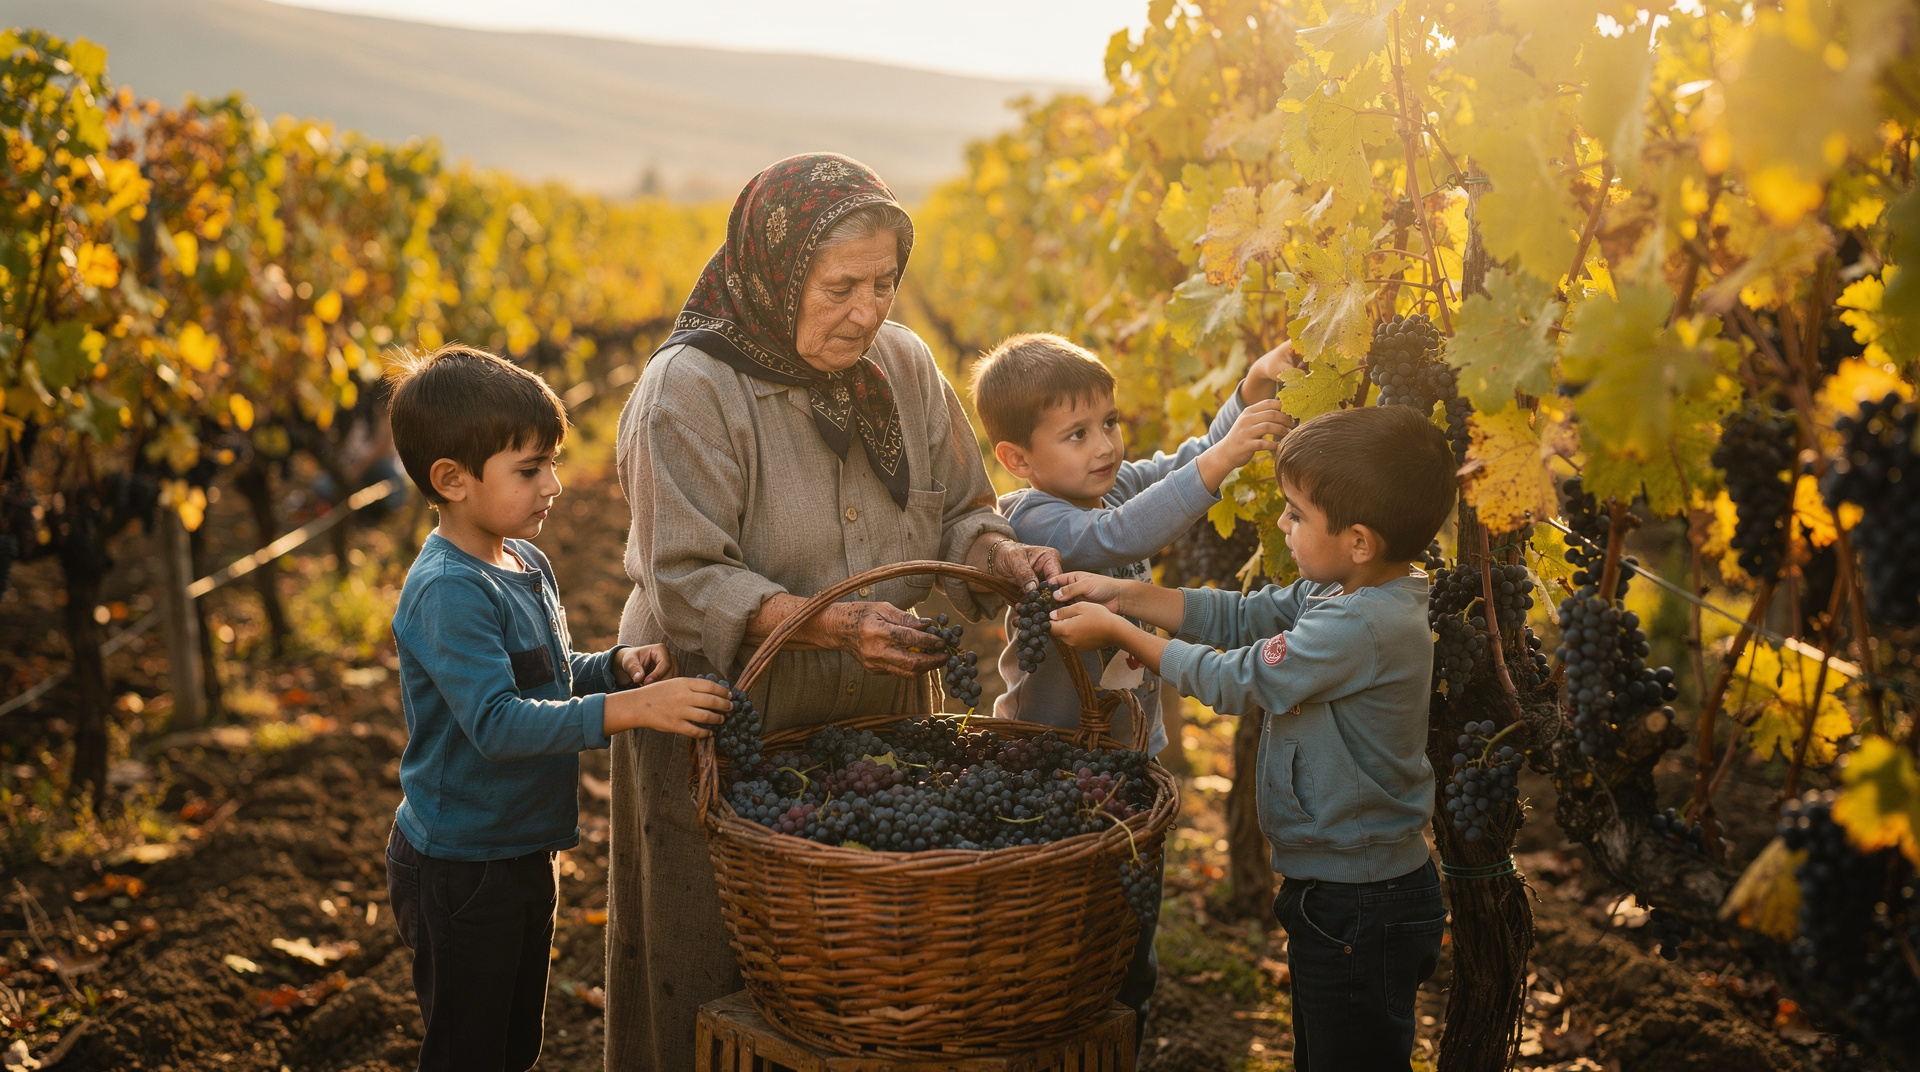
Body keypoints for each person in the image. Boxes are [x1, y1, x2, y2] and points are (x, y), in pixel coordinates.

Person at [607, 153, 1062, 1069]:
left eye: (884, 284)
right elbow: (687, 578)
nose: (866, 312)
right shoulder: (691, 390)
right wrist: (829, 621)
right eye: (839, 286)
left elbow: (967, 509)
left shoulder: (903, 363)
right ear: (777, 272)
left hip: (878, 705)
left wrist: (1000, 556)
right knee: (709, 970)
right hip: (719, 715)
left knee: (868, 973)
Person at [1047, 404, 1458, 1072]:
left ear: (1358, 540)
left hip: (1362, 901)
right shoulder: (1345, 589)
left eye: (1296, 514)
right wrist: (1124, 594)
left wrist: (1123, 636)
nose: (1284, 526)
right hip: (1340, 886)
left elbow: (1239, 680)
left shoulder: (1364, 625)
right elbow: (1241, 615)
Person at [381, 345, 734, 1072]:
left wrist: (611, 669)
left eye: (552, 462)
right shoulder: (449, 590)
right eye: (530, 469)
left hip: (519, 847)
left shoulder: (523, 561)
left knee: (514, 1043)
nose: (555, 485)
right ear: (451, 480)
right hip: (459, 864)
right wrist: (635, 709)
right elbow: (498, 723)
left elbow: (545, 674)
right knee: (467, 1050)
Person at [968, 331, 1293, 1046]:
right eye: (1077, 433)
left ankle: (1126, 1031)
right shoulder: (1031, 518)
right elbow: (1118, 534)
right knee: (1063, 934)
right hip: (1051, 772)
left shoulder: (1105, 484)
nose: (1105, 444)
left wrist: (1252, 390)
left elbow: (1178, 467)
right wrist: (1224, 457)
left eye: (1110, 423)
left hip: (1126, 765)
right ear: (1019, 460)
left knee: (1131, 930)